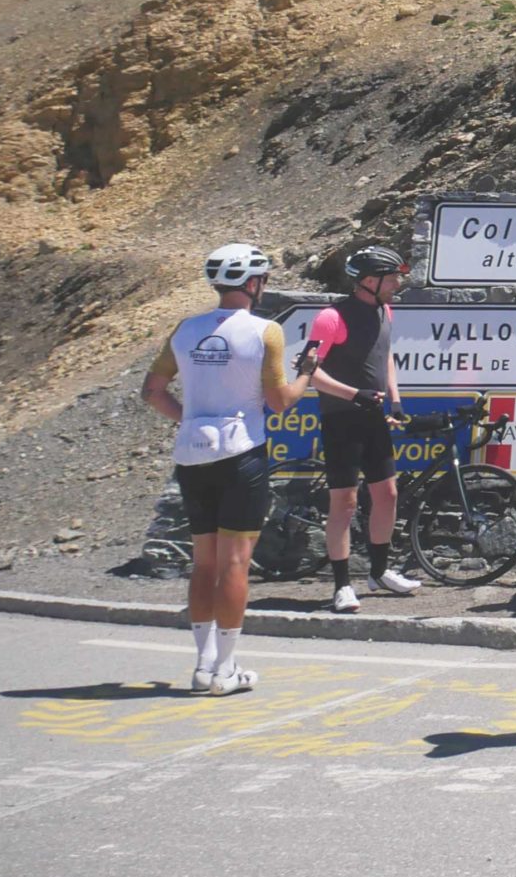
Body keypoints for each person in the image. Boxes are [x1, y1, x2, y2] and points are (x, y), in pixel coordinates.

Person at [140, 243, 322, 695]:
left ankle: (202, 667)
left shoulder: (185, 329)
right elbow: (280, 402)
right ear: (254, 284)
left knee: (203, 563)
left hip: (193, 453)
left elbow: (152, 391)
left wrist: (193, 420)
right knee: (236, 562)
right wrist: (307, 375)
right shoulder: (265, 332)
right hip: (242, 454)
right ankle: (226, 669)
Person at [303, 245, 420, 612]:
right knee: (345, 502)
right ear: (370, 281)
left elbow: (384, 356)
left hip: (373, 416)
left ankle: (380, 572)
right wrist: (354, 394)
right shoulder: (331, 317)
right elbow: (309, 372)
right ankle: (341, 585)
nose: (398, 282)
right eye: (392, 277)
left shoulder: (385, 310)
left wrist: (395, 398)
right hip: (341, 419)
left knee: (387, 495)